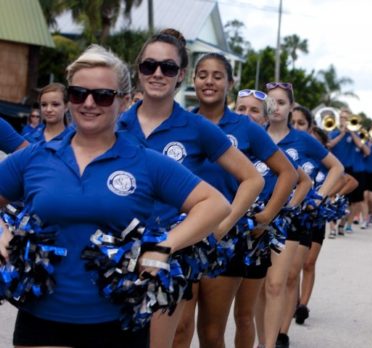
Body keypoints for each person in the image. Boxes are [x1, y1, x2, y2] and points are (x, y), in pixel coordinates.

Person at [0, 44, 231, 348]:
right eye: (79, 93)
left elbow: (215, 204)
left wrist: (164, 246)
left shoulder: (145, 161)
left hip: (117, 321)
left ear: (123, 102)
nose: (89, 103)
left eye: (103, 95)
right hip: (42, 319)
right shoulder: (36, 157)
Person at [117, 30, 264, 348]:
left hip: (169, 255)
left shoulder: (198, 127)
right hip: (113, 253)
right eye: (149, 66)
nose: (157, 73)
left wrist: (222, 225)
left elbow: (253, 179)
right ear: (138, 69)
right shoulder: (114, 124)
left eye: (168, 67)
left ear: (181, 74)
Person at [174, 54, 295, 348]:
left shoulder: (246, 127)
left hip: (224, 239)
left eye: (218, 76)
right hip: (182, 236)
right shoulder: (179, 122)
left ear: (230, 82)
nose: (209, 81)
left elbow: (288, 174)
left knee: (212, 333)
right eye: (203, 75)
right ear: (193, 79)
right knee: (179, 328)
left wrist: (265, 217)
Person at [256, 82, 343, 348]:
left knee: (276, 284)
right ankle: (261, 338)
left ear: (291, 107)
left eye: (281, 103)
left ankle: (272, 342)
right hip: (256, 219)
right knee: (258, 288)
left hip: (288, 221)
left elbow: (336, 168)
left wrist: (316, 198)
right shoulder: (255, 134)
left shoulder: (303, 139)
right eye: (271, 102)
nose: (276, 108)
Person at [232, 89, 303, 348]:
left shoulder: (268, 149)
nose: (247, 115)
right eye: (241, 109)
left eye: (254, 111)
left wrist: (274, 212)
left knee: (249, 309)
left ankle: (268, 344)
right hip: (224, 236)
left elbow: (301, 180)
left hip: (258, 236)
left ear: (264, 119)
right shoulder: (224, 145)